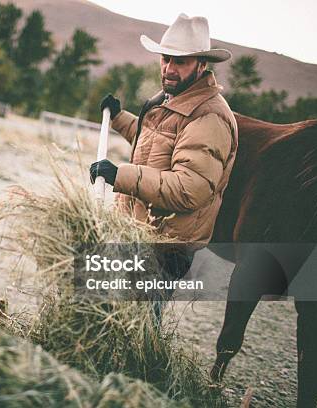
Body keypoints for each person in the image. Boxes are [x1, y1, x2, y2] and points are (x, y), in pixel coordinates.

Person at [89, 14, 238, 306]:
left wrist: (120, 176)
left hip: (166, 248)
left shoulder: (209, 117)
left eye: (180, 62)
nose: (169, 68)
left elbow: (188, 188)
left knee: (140, 320)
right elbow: (157, 145)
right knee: (113, 310)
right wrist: (119, 118)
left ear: (201, 64)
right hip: (141, 232)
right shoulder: (173, 98)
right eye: (165, 59)